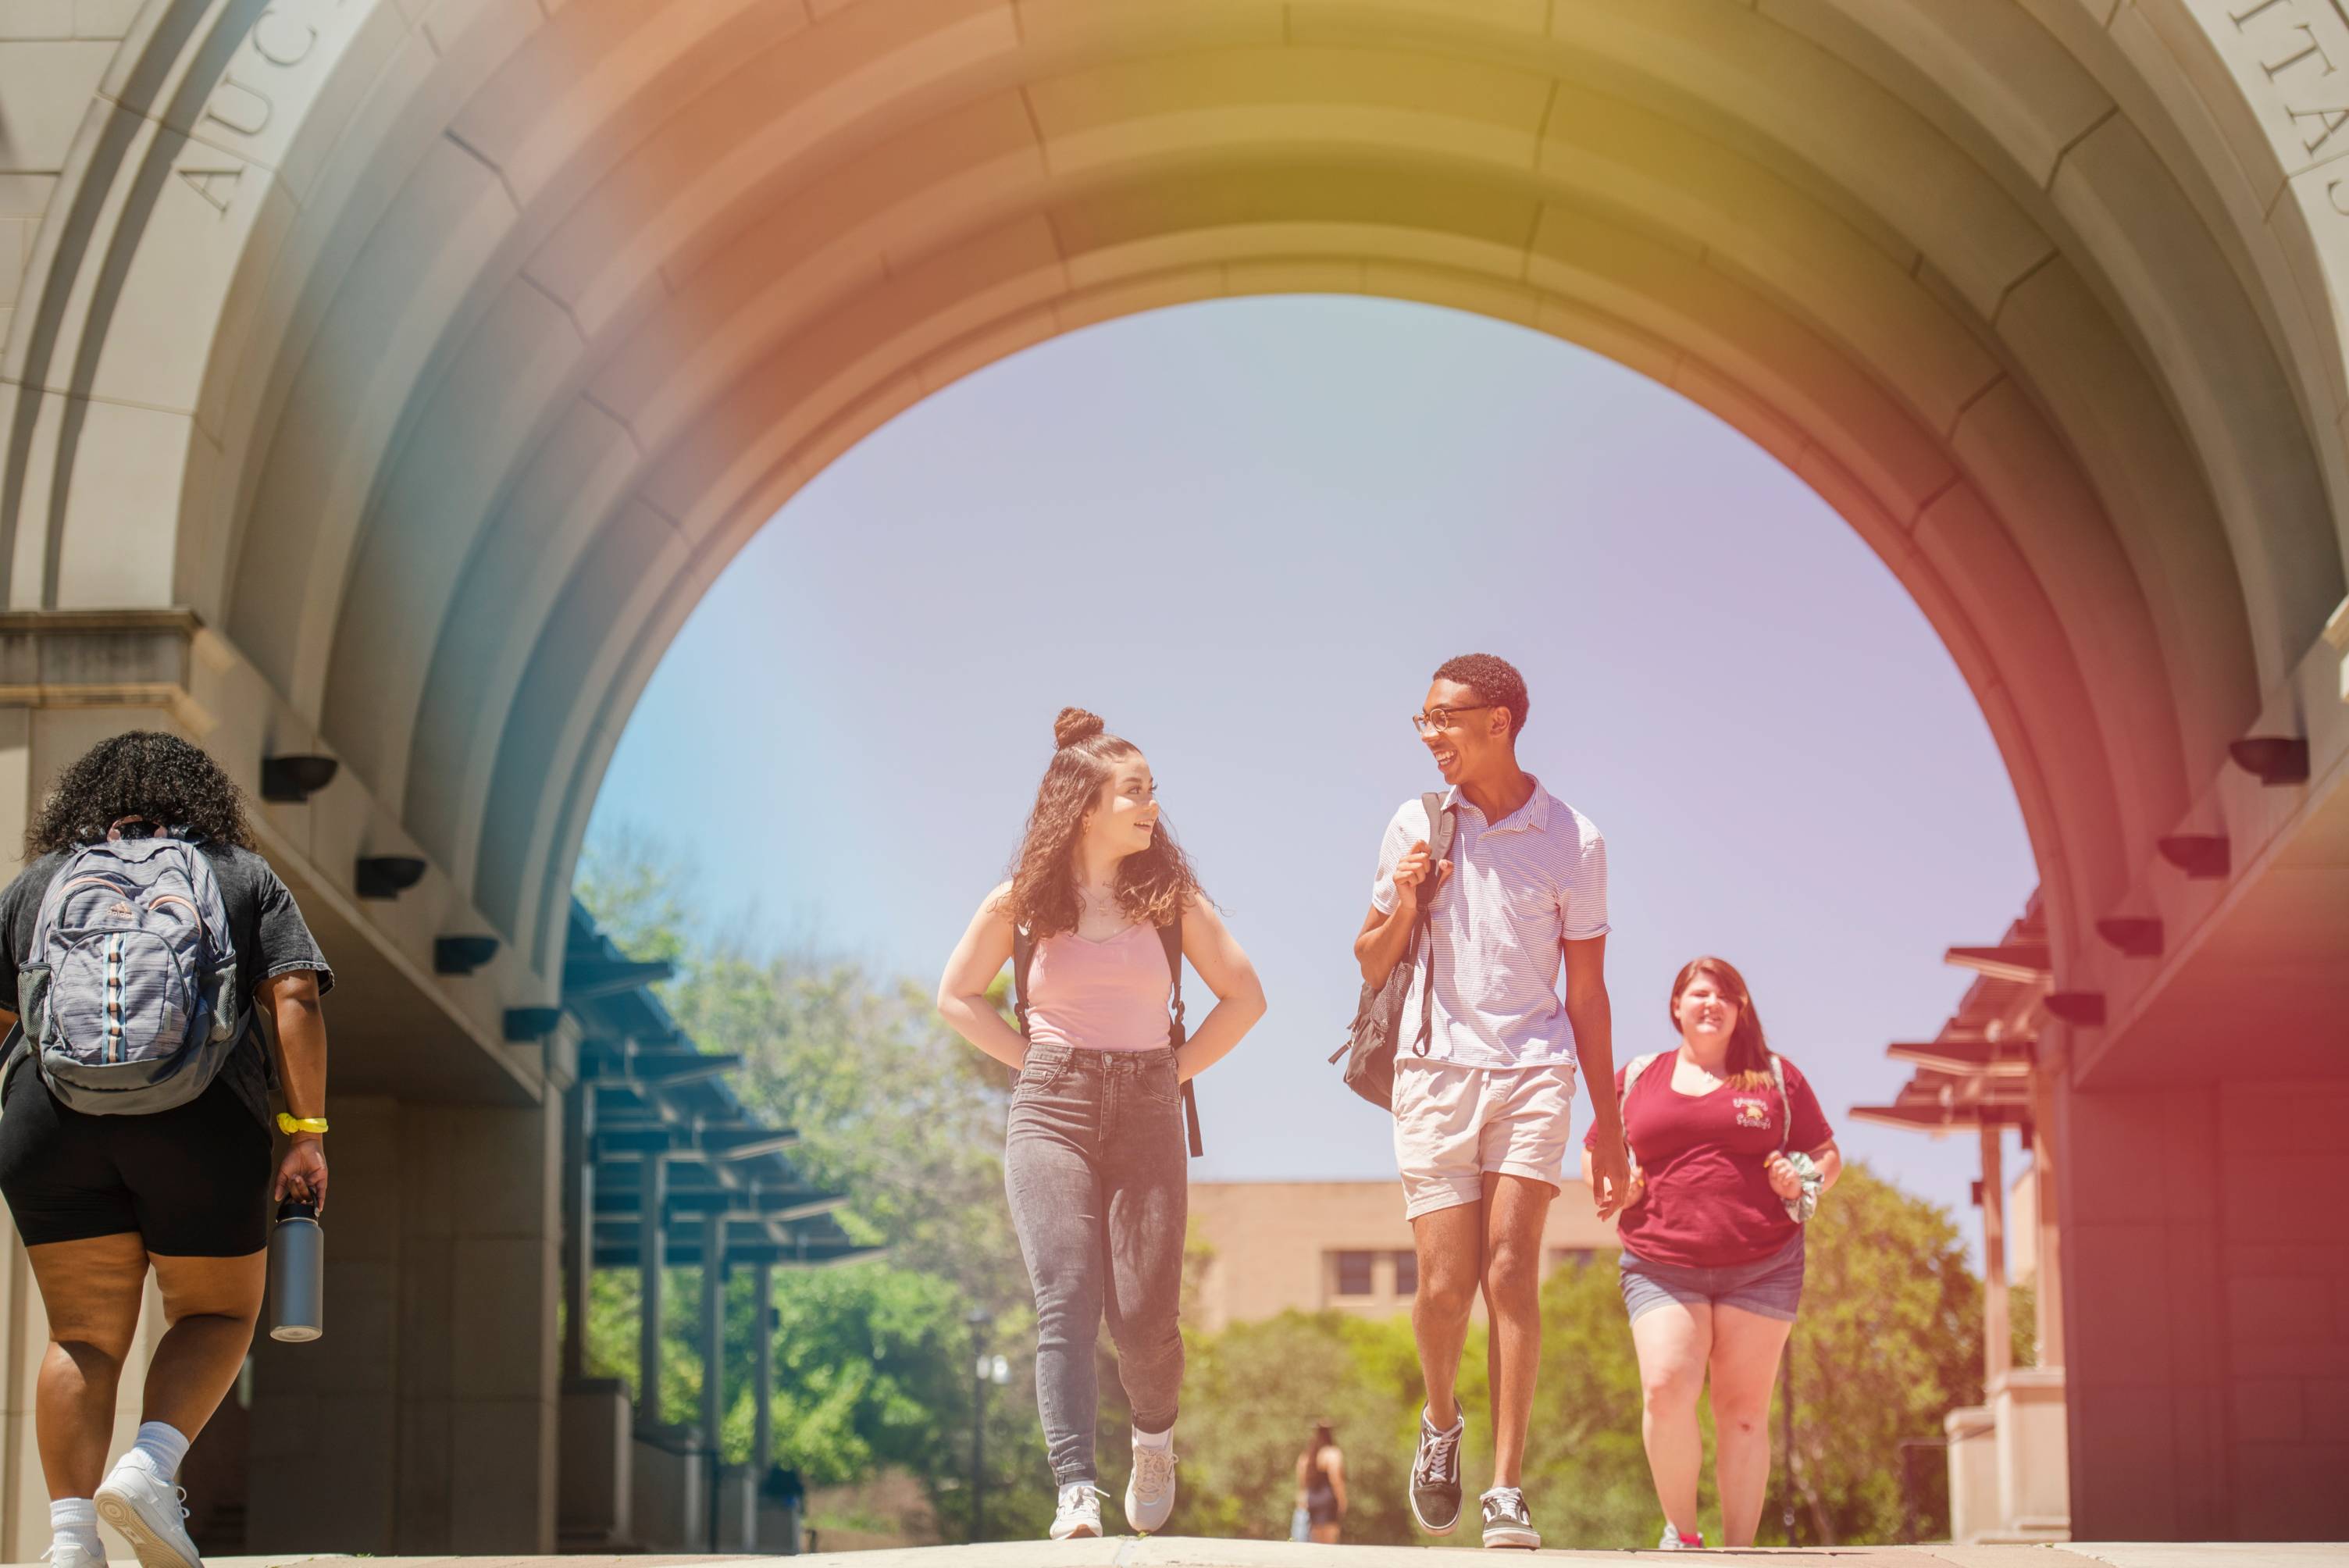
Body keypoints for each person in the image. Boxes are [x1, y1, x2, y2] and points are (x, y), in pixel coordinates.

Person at [0, 732, 333, 1568]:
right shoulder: (237, 873)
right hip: (203, 1116)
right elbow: (291, 994)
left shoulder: (38, 884)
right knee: (216, 1309)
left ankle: (71, 1539)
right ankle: (148, 1467)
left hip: (50, 1122)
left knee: (79, 1333)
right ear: (203, 799)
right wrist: (306, 1133)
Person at [937, 708, 1266, 1541]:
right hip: (1049, 1108)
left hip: (1148, 1106)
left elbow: (1244, 998)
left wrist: (1170, 1070)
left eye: (1151, 790)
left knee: (1146, 1317)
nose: (1150, 805)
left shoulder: (1168, 898)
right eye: (1133, 791)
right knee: (1066, 1298)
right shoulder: (1020, 900)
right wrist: (1030, 1062)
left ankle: (1151, 1442)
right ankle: (1074, 1486)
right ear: (1084, 804)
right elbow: (956, 996)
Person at [1355, 654, 1631, 1552]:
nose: (1429, 734)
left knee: (1511, 1272)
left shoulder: (1573, 840)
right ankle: (1442, 1424)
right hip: (1433, 1074)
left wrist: (1611, 1125)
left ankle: (1505, 1488)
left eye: (1443, 717)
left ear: (1499, 721)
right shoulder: (1415, 821)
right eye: (1423, 720)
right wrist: (1406, 898)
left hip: (1533, 1070)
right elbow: (1368, 959)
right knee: (1444, 1287)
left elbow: (1586, 994)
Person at [1582, 956, 1841, 1550]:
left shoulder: (1775, 1077)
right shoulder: (1640, 1076)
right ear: (1676, 1006)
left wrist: (1803, 1182)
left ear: (1740, 1010)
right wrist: (1615, 1185)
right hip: (1660, 1263)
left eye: (1725, 995)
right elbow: (1597, 1150)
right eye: (1699, 993)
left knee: (1743, 1413)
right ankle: (1686, 1536)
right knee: (1667, 1388)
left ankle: (1737, 1554)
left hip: (1764, 1265)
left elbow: (1827, 1154)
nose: (1711, 1004)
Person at [1296, 1420, 1346, 1544]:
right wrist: (1342, 1500)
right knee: (1329, 1543)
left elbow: (1301, 1478)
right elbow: (1336, 1480)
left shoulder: (1307, 1455)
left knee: (1316, 1543)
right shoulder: (1332, 1453)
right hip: (1327, 1499)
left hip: (1312, 1498)